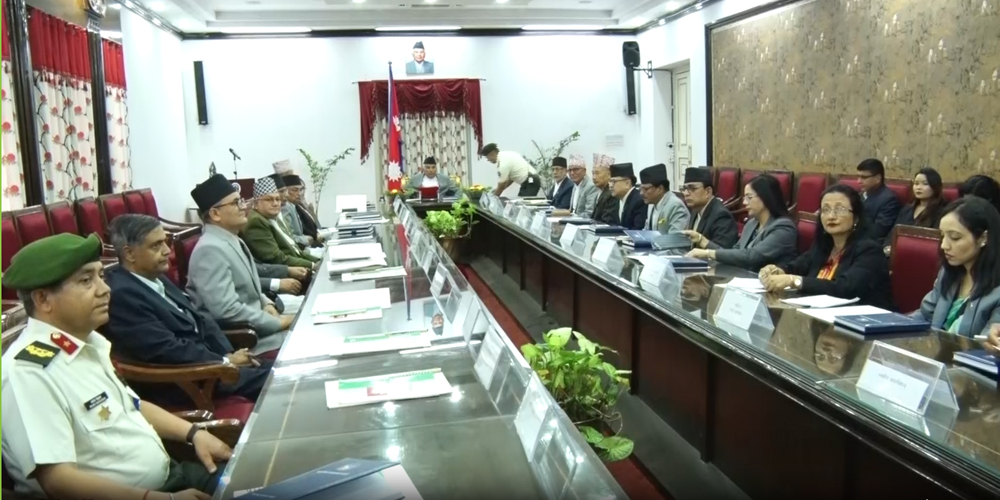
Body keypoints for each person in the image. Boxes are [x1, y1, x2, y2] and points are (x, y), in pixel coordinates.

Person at [1, 233, 232, 499]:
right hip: (145, 495)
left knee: (256, 480)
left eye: (101, 276)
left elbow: (131, 405)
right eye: (86, 280)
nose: (104, 289)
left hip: (171, 475)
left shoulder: (87, 342)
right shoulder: (28, 372)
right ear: (43, 299)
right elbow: (58, 481)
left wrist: (194, 434)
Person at [103, 214, 274, 407]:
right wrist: (224, 361)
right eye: (156, 246)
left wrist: (228, 353)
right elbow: (167, 350)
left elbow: (200, 319)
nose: (167, 251)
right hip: (191, 382)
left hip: (212, 366)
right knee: (282, 379)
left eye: (165, 242)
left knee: (283, 367)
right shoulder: (123, 295)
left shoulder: (154, 275)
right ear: (129, 253)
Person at [187, 174, 294, 354]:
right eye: (236, 203)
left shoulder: (231, 238)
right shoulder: (209, 250)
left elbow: (250, 289)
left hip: (261, 323)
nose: (244, 206)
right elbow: (227, 311)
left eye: (242, 201)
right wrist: (277, 322)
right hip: (249, 342)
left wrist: (267, 304)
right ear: (215, 214)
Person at [759, 185, 893, 309]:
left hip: (862, 320)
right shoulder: (823, 247)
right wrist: (778, 270)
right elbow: (796, 266)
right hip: (821, 315)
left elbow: (846, 288)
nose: (831, 216)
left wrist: (794, 281)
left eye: (840, 209)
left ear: (856, 218)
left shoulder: (870, 251)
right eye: (826, 210)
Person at [915, 197, 1000, 338]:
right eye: (942, 236)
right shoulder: (948, 272)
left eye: (955, 237)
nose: (944, 245)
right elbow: (925, 316)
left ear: (983, 238)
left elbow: (989, 341)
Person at [687, 174, 797, 272]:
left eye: (749, 197)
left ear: (766, 197)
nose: (744, 202)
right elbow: (735, 253)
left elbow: (752, 256)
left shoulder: (784, 228)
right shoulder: (751, 224)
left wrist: (708, 253)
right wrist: (703, 241)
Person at [242, 174, 320, 268]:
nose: (275, 203)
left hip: (297, 264)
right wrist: (312, 265)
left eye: (277, 199)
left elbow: (295, 250)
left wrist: (318, 261)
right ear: (256, 204)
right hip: (289, 272)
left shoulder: (273, 217)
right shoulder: (256, 222)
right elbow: (276, 258)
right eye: (269, 199)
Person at [884, 167, 946, 252]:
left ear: (935, 187)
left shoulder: (941, 212)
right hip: (895, 253)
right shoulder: (907, 209)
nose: (918, 187)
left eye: (925, 184)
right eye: (916, 183)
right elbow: (893, 233)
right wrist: (887, 248)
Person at [678, 167, 738, 249]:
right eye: (684, 189)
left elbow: (722, 253)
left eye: (692, 189)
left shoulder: (722, 216)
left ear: (708, 192)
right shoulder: (695, 209)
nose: (686, 193)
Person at [856, 158, 901, 240]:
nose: (858, 181)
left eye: (864, 177)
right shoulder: (860, 195)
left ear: (878, 178)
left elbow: (878, 231)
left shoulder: (889, 200)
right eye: (858, 177)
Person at [638, 163, 689, 234]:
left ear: (660, 189)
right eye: (641, 189)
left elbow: (675, 237)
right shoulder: (651, 203)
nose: (641, 193)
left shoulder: (676, 206)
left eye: (645, 189)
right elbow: (647, 230)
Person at [280, 174, 321, 248]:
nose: (299, 193)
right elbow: (288, 236)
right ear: (286, 191)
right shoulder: (286, 207)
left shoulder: (294, 205)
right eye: (294, 190)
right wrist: (305, 239)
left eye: (300, 190)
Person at [609, 163, 647, 230]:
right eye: (610, 182)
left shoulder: (639, 201)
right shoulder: (616, 200)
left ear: (627, 183)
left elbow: (637, 229)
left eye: (614, 181)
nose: (610, 185)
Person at [590, 154, 617, 224]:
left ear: (609, 174)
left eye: (597, 173)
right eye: (593, 173)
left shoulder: (611, 194)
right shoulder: (599, 191)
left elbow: (606, 222)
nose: (594, 177)